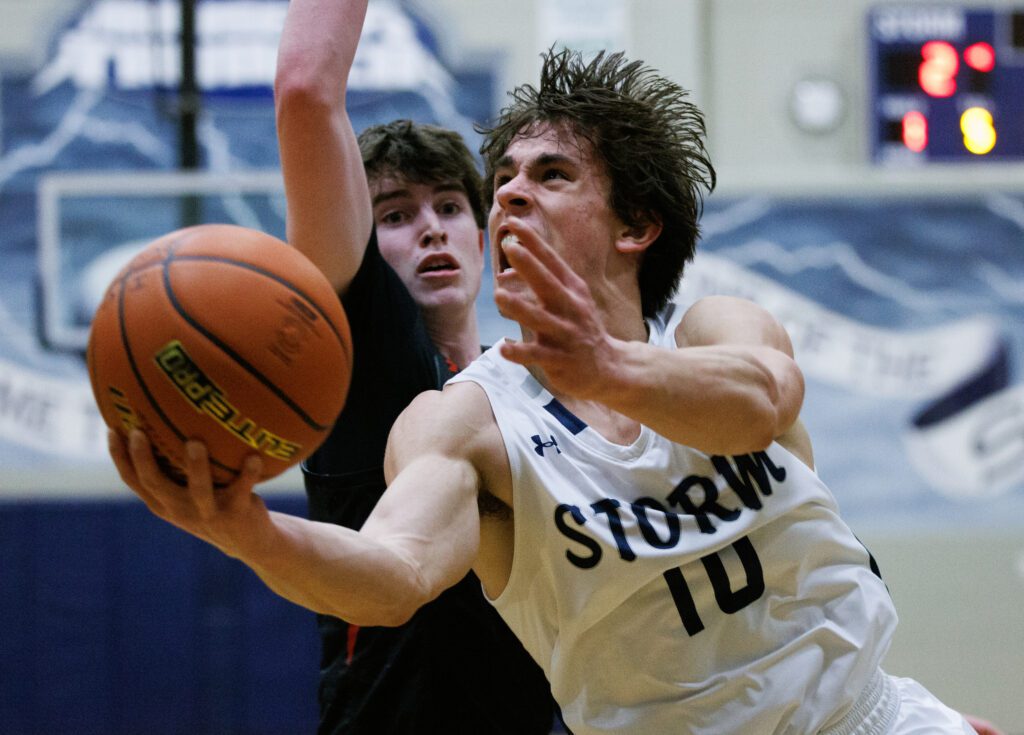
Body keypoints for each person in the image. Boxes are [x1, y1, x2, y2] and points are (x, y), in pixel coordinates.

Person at [111, 46, 996, 735]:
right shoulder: (464, 420)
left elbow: (764, 396)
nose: (510, 199)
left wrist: (605, 368)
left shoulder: (718, 330)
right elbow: (390, 577)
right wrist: (247, 529)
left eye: (551, 175)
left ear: (638, 226)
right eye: (502, 183)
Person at [269, 0, 554, 732]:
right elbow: (305, 91)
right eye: (395, 215)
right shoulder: (367, 354)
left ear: (485, 237)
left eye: (451, 207)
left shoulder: (528, 382)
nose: (429, 227)